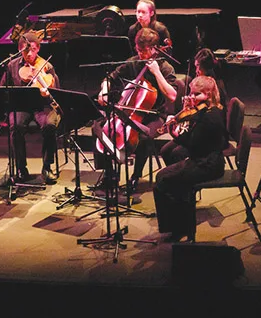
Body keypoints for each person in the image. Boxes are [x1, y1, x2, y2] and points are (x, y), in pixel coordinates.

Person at [94, 28, 179, 191]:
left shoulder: (166, 68)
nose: (139, 53)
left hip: (154, 116)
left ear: (154, 49)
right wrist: (104, 88)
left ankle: (136, 176)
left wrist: (157, 73)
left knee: (144, 137)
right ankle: (110, 174)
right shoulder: (134, 62)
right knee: (99, 128)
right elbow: (110, 77)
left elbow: (173, 95)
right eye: (137, 50)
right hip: (128, 113)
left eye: (143, 50)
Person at [153, 75, 228, 242]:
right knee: (169, 177)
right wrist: (186, 113)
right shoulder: (205, 111)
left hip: (208, 164)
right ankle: (181, 222)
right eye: (191, 93)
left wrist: (174, 133)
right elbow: (192, 136)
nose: (192, 97)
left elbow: (192, 144)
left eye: (197, 94)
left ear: (208, 94)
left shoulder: (210, 117)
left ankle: (177, 227)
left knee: (162, 179)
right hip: (204, 159)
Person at [0, 31, 61, 182]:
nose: (30, 53)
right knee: (16, 126)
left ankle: (47, 167)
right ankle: (21, 168)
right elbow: (2, 89)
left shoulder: (46, 66)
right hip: (21, 106)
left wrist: (46, 89)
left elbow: (57, 91)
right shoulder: (12, 66)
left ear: (38, 49)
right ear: (20, 50)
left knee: (49, 126)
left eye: (33, 49)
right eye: (26, 50)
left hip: (43, 106)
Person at [161, 48, 227, 166]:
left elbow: (207, 114)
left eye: (197, 66)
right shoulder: (201, 81)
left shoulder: (214, 86)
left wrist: (190, 109)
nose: (196, 70)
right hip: (197, 128)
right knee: (165, 150)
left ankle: (182, 176)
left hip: (209, 137)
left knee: (176, 153)